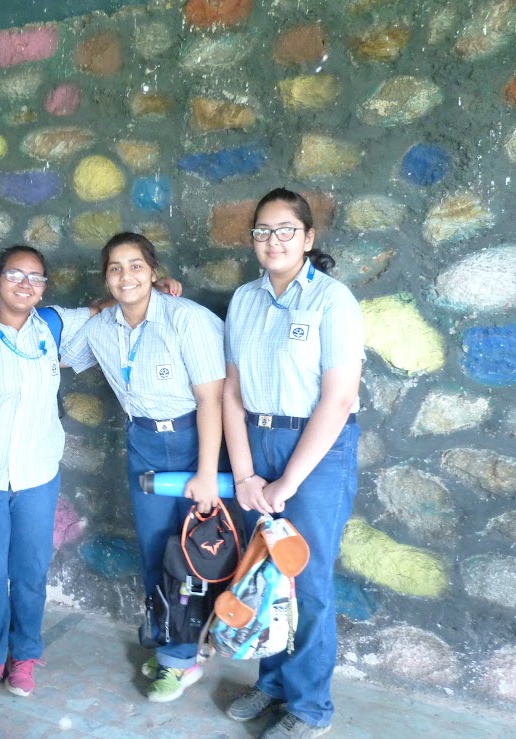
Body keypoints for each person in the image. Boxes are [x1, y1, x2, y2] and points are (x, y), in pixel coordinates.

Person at [60, 232, 226, 703]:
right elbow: (58, 353)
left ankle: (181, 657)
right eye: (115, 268)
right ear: (106, 278)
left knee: (195, 552)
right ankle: (177, 644)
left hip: (195, 440)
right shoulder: (100, 328)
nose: (125, 276)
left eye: (135, 266)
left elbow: (212, 399)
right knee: (157, 550)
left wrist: (209, 474)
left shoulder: (187, 320)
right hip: (143, 443)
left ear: (154, 272)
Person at [222, 188, 363, 739]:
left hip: (317, 452)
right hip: (256, 444)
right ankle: (273, 681)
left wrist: (286, 482)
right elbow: (232, 394)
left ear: (307, 239)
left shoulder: (333, 300)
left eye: (285, 231)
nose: (272, 241)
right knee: (261, 570)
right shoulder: (243, 301)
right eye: (262, 231)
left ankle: (308, 707)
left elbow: (338, 400)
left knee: (306, 580)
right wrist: (246, 473)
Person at [0, 245, 97, 704]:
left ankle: (25, 654)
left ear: (44, 287)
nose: (26, 284)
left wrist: (160, 288)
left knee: (31, 573)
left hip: (36, 475)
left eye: (36, 278)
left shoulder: (51, 326)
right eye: (15, 275)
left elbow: (104, 309)